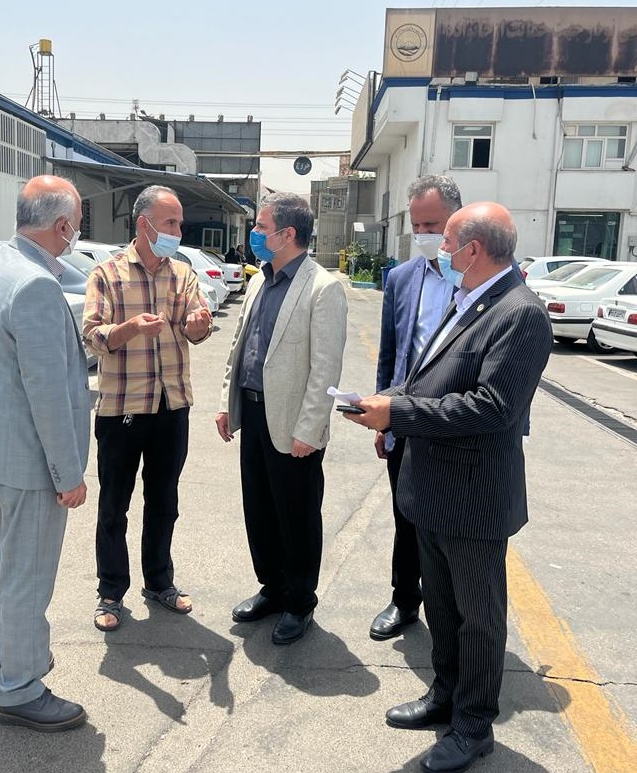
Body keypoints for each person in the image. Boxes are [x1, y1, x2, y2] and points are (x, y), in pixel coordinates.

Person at [344, 202, 552, 772]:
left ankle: (474, 725)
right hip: (432, 490)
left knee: (478, 619)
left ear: (474, 250)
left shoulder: (520, 313)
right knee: (440, 605)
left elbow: (492, 407)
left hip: (473, 498)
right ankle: (445, 694)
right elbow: (427, 376)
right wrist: (387, 404)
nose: (440, 249)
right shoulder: (470, 298)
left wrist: (398, 413)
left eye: (447, 240)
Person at [0, 175, 90, 732]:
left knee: (6, 569)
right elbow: (47, 393)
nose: (77, 232)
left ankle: (1, 665)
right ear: (62, 225)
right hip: (31, 463)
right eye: (77, 223)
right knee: (27, 579)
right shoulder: (34, 284)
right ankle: (20, 688)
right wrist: (69, 474)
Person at [216, 192, 347, 645]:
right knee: (259, 509)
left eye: (261, 226)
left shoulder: (322, 288)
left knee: (297, 516)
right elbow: (240, 346)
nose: (255, 233)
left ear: (287, 234)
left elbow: (325, 368)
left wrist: (309, 428)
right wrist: (227, 403)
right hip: (253, 414)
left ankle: (299, 601)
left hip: (293, 424)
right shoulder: (260, 281)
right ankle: (272, 587)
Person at [83, 185, 213, 631]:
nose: (178, 231)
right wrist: (130, 329)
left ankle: (159, 581)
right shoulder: (107, 274)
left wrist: (198, 325)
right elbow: (93, 335)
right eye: (171, 223)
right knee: (113, 506)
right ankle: (110, 592)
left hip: (171, 406)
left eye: (179, 223)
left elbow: (197, 329)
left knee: (164, 502)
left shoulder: (183, 273)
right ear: (144, 224)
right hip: (122, 407)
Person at [369, 175, 462, 642]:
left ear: (457, 222)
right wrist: (382, 418)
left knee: (456, 522)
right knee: (405, 515)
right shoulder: (401, 278)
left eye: (434, 225)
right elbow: (390, 354)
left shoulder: (479, 276)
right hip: (405, 418)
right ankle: (405, 599)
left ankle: (459, 610)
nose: (425, 234)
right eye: (418, 225)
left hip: (459, 421)